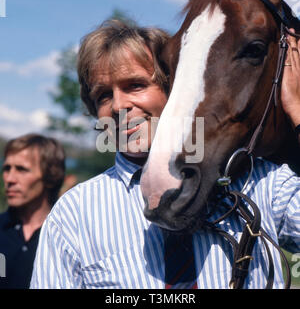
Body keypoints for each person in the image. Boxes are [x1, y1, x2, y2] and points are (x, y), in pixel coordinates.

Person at [30, 19, 300, 289]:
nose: (119, 105)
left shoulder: (259, 181)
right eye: (103, 96)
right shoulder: (74, 215)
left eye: (135, 85)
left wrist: (297, 113)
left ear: (175, 90)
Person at [0, 133, 65, 289]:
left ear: (51, 175)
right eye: (7, 168)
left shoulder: (67, 234)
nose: (10, 179)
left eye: (22, 169)